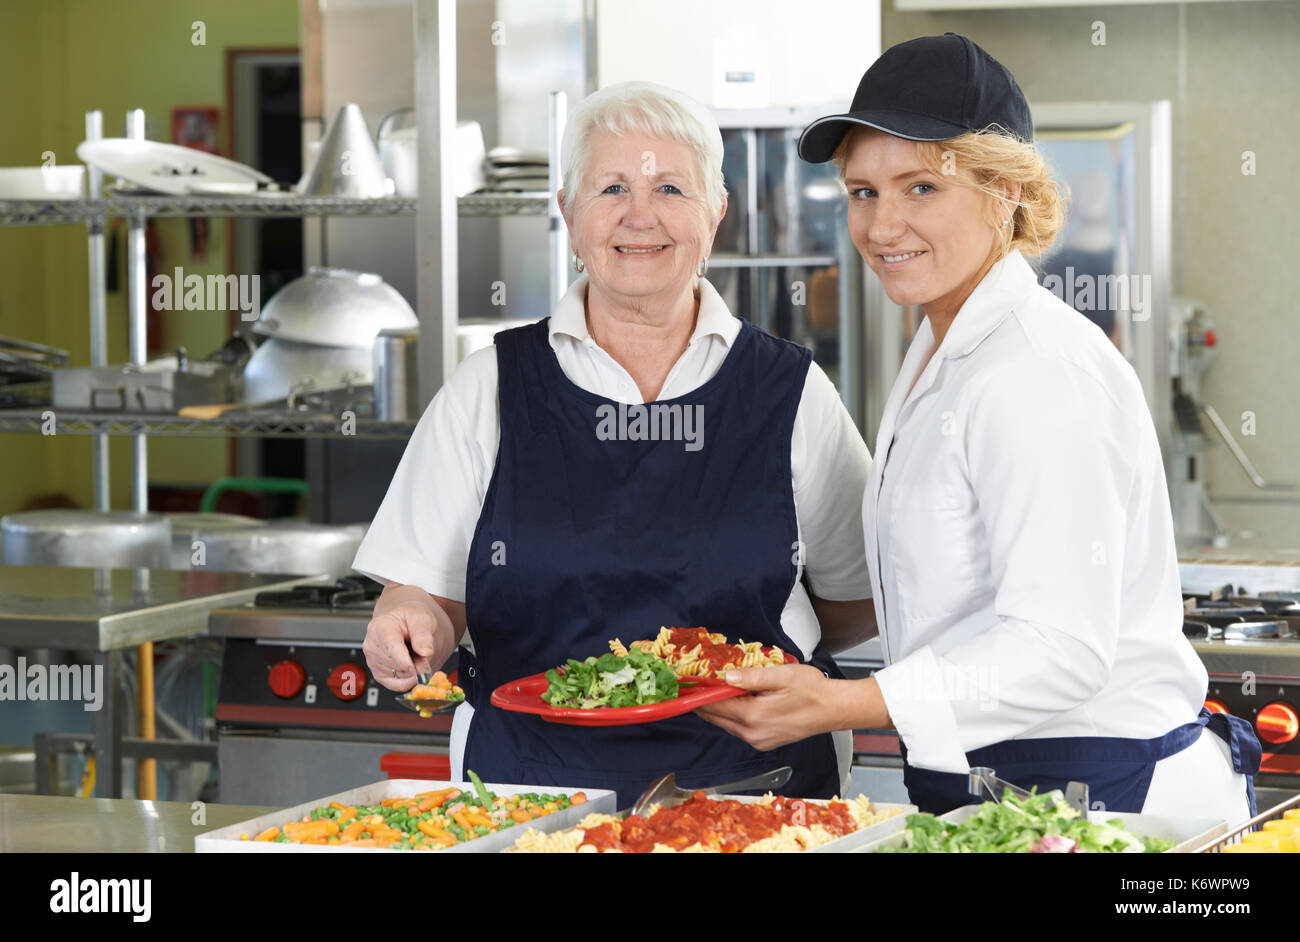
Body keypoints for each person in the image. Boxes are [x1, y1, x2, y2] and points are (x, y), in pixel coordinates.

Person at [697, 33, 1260, 822]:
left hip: (1103, 800)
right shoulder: (943, 345)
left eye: (921, 187)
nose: (883, 225)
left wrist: (839, 704)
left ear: (1005, 192)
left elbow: (1060, 651)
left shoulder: (1036, 370)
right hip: (1001, 791)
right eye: (863, 192)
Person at [353, 81, 875, 806]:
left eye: (670, 187)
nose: (640, 215)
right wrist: (405, 625)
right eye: (610, 188)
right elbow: (425, 601)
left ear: (716, 211)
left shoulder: (789, 391)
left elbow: (855, 601)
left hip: (755, 799)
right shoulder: (490, 388)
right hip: (532, 800)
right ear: (567, 212)